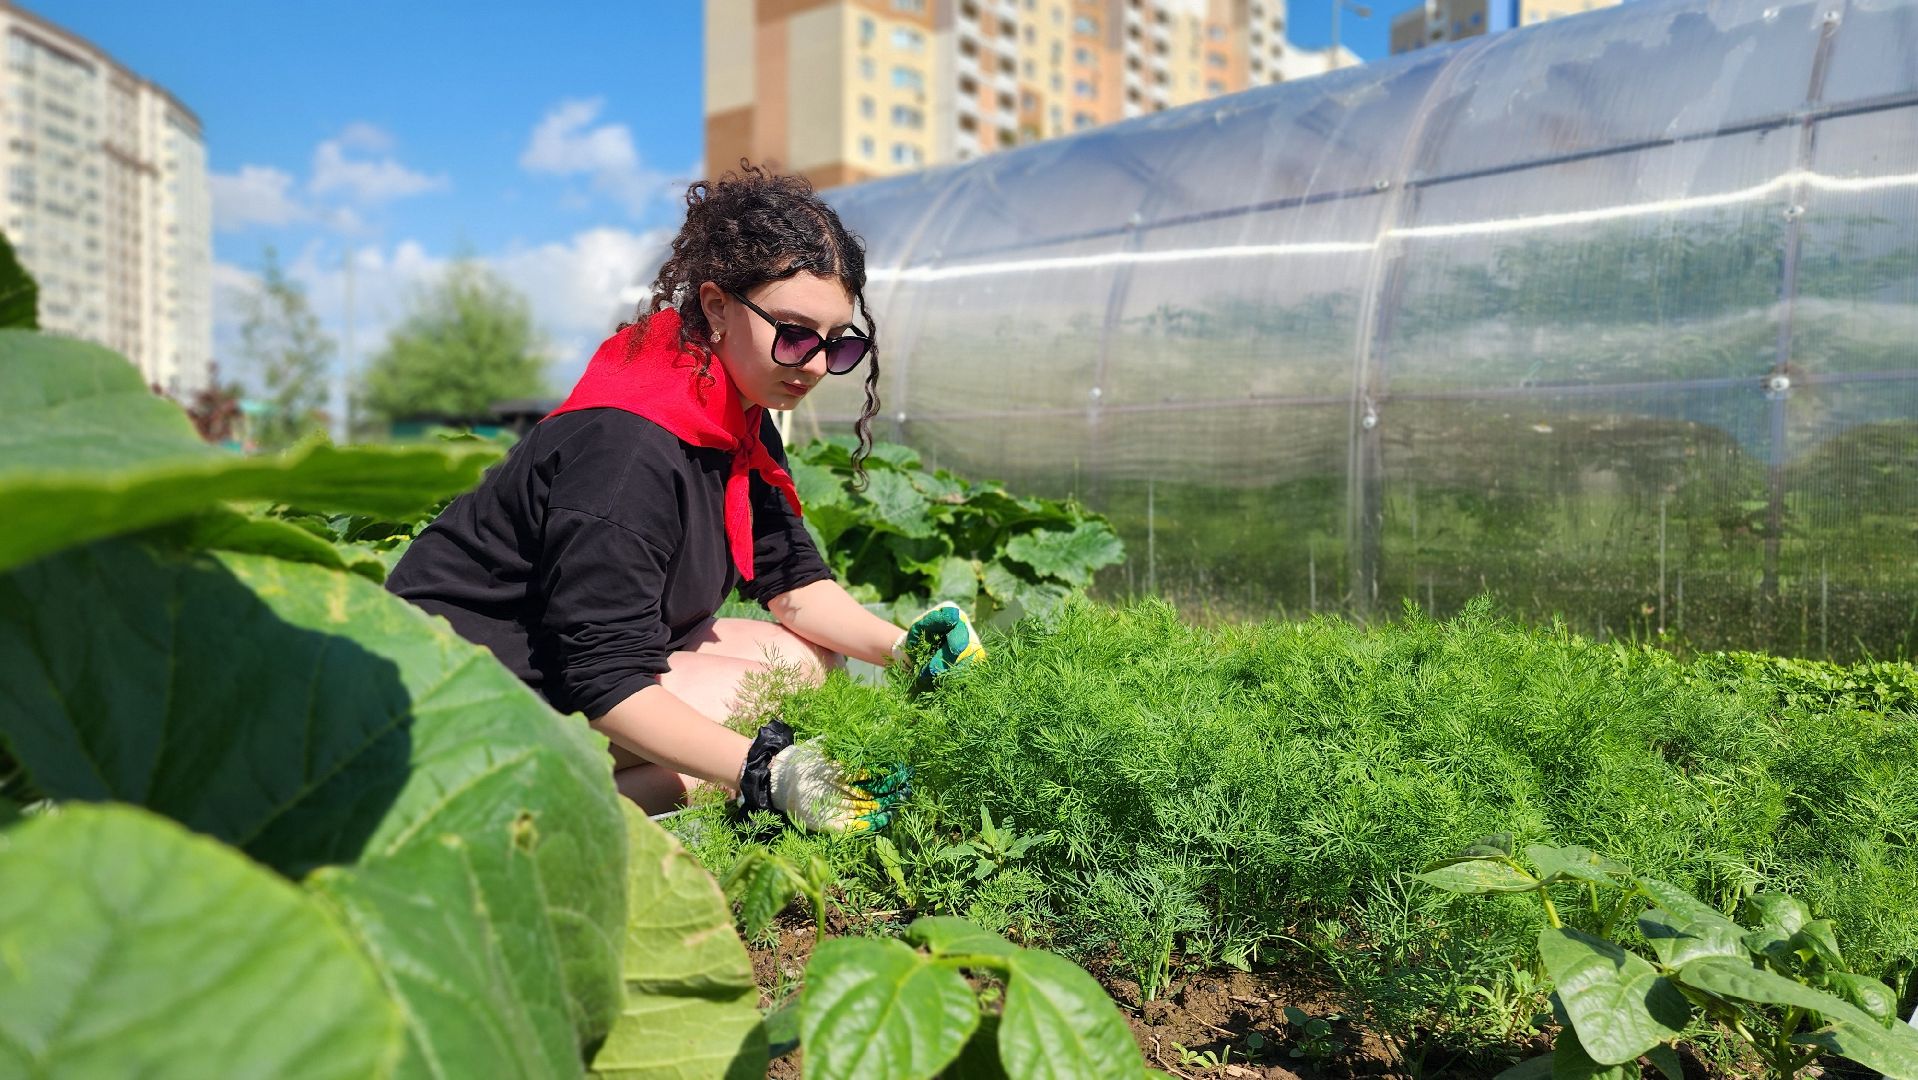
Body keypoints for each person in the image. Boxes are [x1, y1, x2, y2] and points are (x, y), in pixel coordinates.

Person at [385, 164, 983, 832]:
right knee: (718, 755)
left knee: (800, 661)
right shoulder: (629, 448)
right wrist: (771, 772)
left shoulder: (735, 416)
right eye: (793, 332)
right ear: (718, 306)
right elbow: (602, 677)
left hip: (558, 668)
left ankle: (628, 786)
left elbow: (792, 582)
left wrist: (906, 649)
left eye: (837, 344)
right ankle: (507, 813)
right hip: (459, 696)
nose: (814, 363)